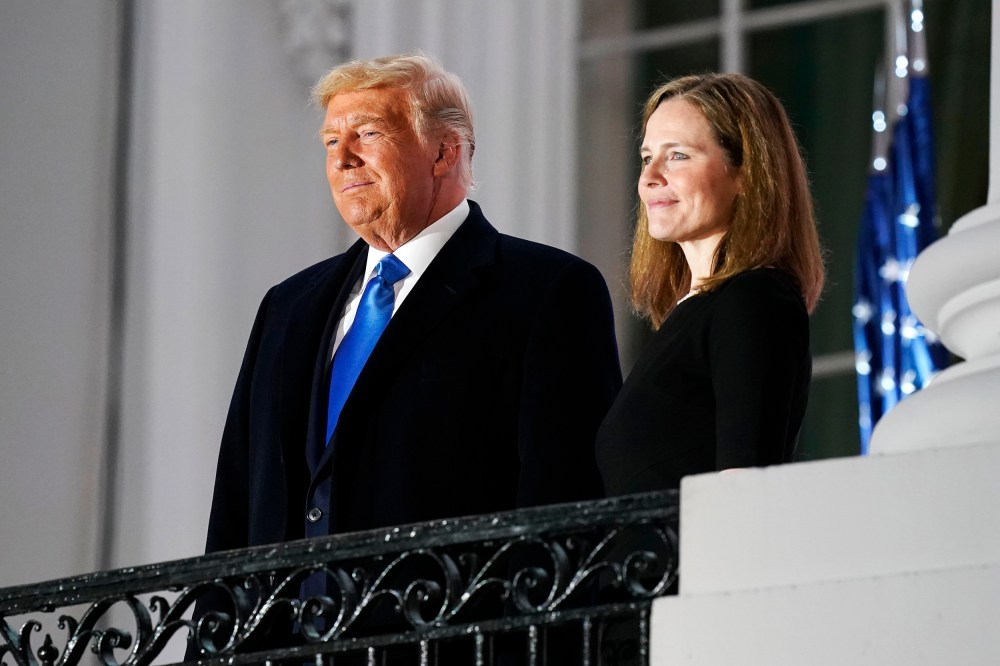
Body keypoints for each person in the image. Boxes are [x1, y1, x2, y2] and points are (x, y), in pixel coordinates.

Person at [201, 53, 622, 559]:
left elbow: (565, 500)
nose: (342, 159)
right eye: (332, 141)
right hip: (289, 634)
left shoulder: (547, 291)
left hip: (446, 630)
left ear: (444, 152)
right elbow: (235, 502)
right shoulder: (287, 306)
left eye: (368, 134)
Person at [596, 73, 824, 495]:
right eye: (647, 158)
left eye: (678, 155)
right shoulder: (694, 312)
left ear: (746, 174)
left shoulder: (754, 301)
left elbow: (743, 494)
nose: (650, 178)